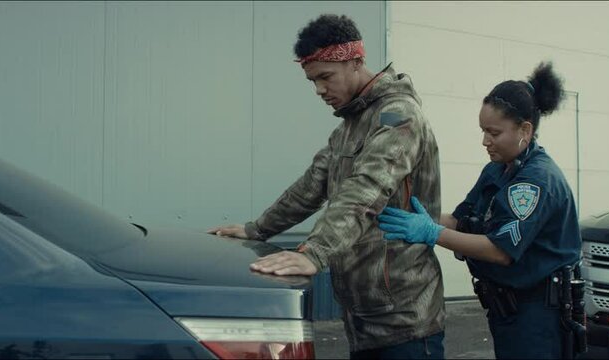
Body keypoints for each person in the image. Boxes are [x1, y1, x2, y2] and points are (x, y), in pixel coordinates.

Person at [207, 14, 446, 359]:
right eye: (312, 80)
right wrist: (257, 229)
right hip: (365, 317)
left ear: (356, 62)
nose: (319, 89)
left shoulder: (399, 117)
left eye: (325, 77)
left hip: (405, 322)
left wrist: (315, 253)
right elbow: (312, 185)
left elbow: (367, 187)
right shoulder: (350, 124)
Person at [376, 62, 582, 359]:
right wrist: (416, 214)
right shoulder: (498, 169)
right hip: (507, 310)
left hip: (537, 316)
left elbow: (500, 250)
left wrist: (431, 232)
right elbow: (461, 221)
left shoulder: (536, 182)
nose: (485, 141)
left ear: (525, 130)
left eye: (494, 133)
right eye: (483, 130)